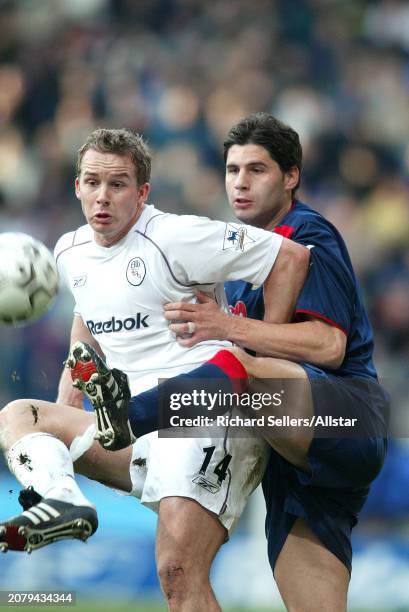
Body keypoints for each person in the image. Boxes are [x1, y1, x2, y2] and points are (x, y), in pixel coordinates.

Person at [0, 128, 309, 611]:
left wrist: (261, 351)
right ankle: (61, 499)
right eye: (92, 182)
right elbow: (88, 319)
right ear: (76, 187)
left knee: (177, 571)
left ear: (142, 192)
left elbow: (290, 257)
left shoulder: (176, 236)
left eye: (118, 184)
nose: (103, 196)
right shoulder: (68, 251)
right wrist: (68, 407)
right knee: (18, 416)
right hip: (130, 424)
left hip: (204, 417)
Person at [163, 113, 389, 612]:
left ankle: (136, 417)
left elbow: (329, 345)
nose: (240, 182)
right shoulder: (244, 264)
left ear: (291, 177)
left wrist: (225, 327)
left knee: (220, 373)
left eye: (257, 170)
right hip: (293, 459)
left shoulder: (306, 234)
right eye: (232, 170)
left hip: (340, 415)